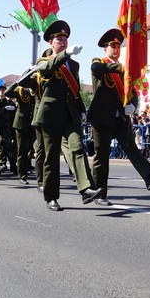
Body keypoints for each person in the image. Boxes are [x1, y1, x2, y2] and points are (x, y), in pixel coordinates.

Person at [88, 28, 150, 206]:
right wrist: (120, 68)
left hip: (120, 118)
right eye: (112, 46)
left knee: (131, 148)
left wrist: (133, 105)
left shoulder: (124, 69)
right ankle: (99, 193)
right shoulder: (100, 62)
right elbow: (96, 69)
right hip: (102, 118)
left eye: (118, 46)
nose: (116, 49)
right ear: (105, 49)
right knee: (101, 157)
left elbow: (132, 91)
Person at [31, 20, 104, 211]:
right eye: (58, 39)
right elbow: (46, 70)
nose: (62, 41)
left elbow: (75, 90)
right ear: (50, 42)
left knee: (77, 148)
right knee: (52, 156)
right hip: (50, 115)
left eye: (64, 38)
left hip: (70, 114)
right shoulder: (43, 61)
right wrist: (65, 54)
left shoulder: (75, 64)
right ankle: (51, 197)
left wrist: (81, 110)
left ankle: (85, 188)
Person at [5, 79, 35, 184]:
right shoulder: (21, 90)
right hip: (21, 124)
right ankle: (22, 175)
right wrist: (16, 83)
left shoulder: (38, 90)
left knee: (34, 149)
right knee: (22, 150)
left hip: (34, 124)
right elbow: (7, 93)